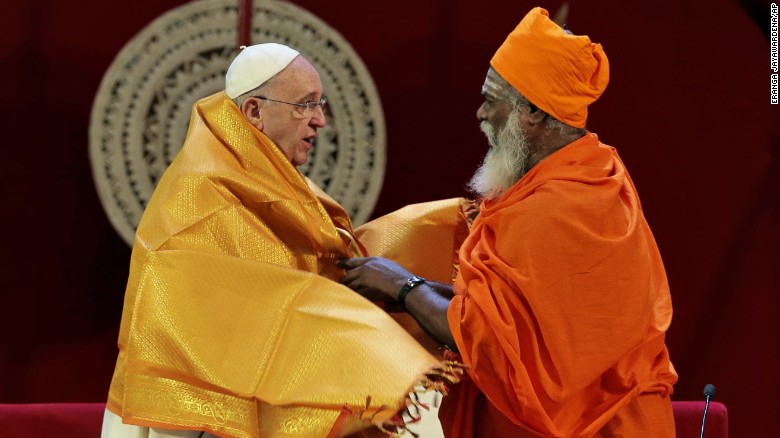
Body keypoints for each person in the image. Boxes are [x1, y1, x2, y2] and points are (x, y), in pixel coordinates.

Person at [339, 8, 678, 437]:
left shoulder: (555, 207)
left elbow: (492, 342)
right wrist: (408, 286)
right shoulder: (596, 168)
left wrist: (403, 288)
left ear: (533, 113)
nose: (480, 114)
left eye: (491, 100)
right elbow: (508, 313)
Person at [101, 43, 458, 438]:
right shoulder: (200, 195)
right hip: (200, 418)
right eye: (305, 105)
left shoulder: (275, 177)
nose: (320, 120)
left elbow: (319, 269)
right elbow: (203, 328)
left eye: (320, 103)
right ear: (254, 111)